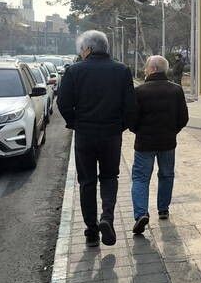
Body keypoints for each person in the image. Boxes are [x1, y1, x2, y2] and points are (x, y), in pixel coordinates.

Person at [58, 30, 137, 247]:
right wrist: (120, 126)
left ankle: (92, 232)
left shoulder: (74, 71)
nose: (81, 54)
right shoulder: (121, 70)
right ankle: (107, 218)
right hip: (111, 135)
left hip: (85, 135)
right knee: (110, 177)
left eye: (82, 50)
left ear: (89, 49)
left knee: (87, 182)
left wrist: (75, 123)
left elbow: (63, 103)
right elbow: (130, 106)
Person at [129, 55, 189, 231]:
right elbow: (183, 118)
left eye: (146, 67)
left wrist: (138, 131)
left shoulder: (139, 91)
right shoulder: (176, 90)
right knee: (166, 175)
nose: (145, 70)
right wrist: (172, 131)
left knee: (140, 178)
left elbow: (131, 119)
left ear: (153, 69)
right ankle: (163, 209)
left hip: (144, 143)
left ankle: (141, 214)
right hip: (167, 142)